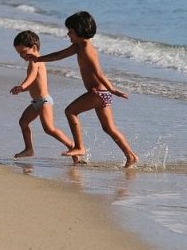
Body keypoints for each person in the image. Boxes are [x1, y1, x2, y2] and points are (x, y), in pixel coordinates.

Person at [29, 12, 138, 167]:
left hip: (99, 93)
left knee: (70, 111)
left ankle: (79, 147)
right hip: (101, 94)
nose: (68, 34)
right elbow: (60, 55)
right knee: (108, 128)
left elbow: (99, 72)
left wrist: (112, 89)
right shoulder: (78, 46)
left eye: (71, 31)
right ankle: (131, 156)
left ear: (80, 31)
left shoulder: (86, 49)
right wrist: (39, 59)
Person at [10, 30, 75, 159]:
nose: (21, 56)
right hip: (37, 102)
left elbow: (32, 77)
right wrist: (22, 89)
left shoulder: (36, 61)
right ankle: (29, 149)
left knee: (49, 129)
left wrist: (22, 86)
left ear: (34, 48)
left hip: (44, 101)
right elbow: (33, 84)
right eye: (19, 53)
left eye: (23, 52)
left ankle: (72, 146)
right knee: (23, 122)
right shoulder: (32, 61)